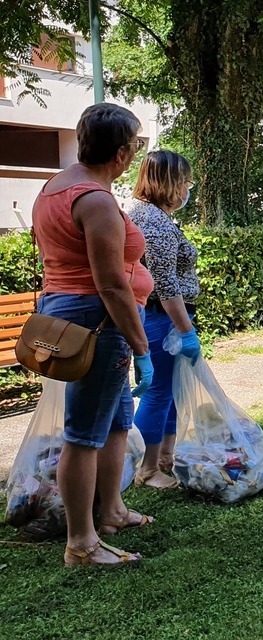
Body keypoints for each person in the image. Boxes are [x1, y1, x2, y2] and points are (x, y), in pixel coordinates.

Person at [32, 103, 156, 566]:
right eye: (135, 147)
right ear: (121, 154)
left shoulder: (54, 187)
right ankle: (81, 542)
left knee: (118, 420)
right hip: (96, 322)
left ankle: (113, 512)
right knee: (84, 433)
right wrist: (141, 347)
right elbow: (110, 283)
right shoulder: (96, 200)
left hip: (72, 313)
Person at [127, 150, 202, 489]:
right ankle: (145, 468)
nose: (188, 188)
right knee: (158, 392)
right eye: (185, 181)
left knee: (169, 391)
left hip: (164, 316)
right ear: (169, 183)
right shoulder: (153, 222)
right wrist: (186, 331)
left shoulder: (149, 215)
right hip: (162, 317)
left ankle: (164, 457)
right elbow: (165, 285)